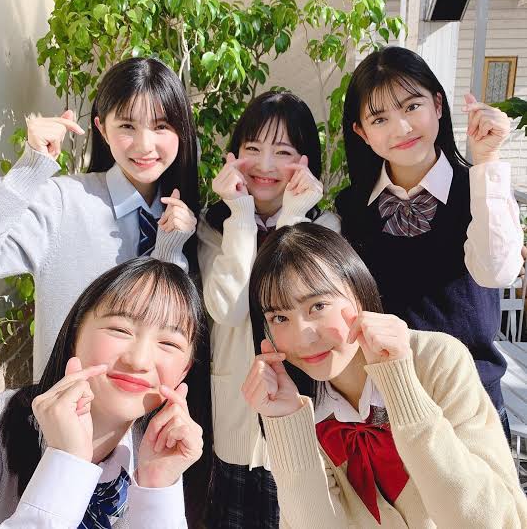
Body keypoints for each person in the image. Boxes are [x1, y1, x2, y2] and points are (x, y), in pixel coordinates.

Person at [243, 222, 527, 528]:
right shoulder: (298, 402)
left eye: (318, 306)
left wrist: (401, 386)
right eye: (280, 317)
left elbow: (487, 522)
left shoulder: (436, 360)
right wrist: (285, 422)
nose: (302, 338)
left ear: (358, 291)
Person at [334, 46, 523, 437]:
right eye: (380, 118)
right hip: (389, 410)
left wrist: (488, 160)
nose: (401, 128)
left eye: (412, 106)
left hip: (471, 407)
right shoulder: (350, 209)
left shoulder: (478, 186)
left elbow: (497, 272)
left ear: (438, 104)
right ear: (362, 133)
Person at [0, 57, 200, 380]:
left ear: (181, 130)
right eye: (127, 126)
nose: (144, 144)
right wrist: (28, 172)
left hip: (145, 409)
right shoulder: (62, 202)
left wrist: (171, 253)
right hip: (64, 406)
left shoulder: (185, 220)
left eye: (161, 126)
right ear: (102, 128)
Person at [0, 257, 209, 528]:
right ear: (75, 335)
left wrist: (156, 486)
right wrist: (67, 462)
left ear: (185, 370)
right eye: (120, 330)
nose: (139, 361)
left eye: (168, 343)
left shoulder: (157, 454)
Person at [197, 91, 340, 527]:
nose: (265, 165)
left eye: (283, 152)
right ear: (234, 153)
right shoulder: (213, 226)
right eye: (253, 148)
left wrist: (293, 217)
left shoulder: (325, 227)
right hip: (236, 418)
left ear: (305, 161)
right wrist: (240, 214)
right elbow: (229, 309)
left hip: (304, 419)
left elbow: (288, 302)